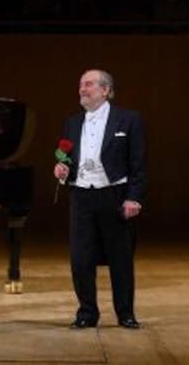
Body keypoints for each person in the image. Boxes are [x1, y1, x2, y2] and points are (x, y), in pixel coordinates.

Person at [54, 69, 147, 329]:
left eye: (89, 84)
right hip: (81, 195)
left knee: (121, 258)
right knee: (81, 258)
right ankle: (87, 312)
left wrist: (133, 198)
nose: (82, 89)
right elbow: (68, 160)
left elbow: (138, 164)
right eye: (81, 84)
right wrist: (62, 170)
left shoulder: (128, 120)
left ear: (105, 90)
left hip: (113, 195)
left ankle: (125, 313)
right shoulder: (72, 122)